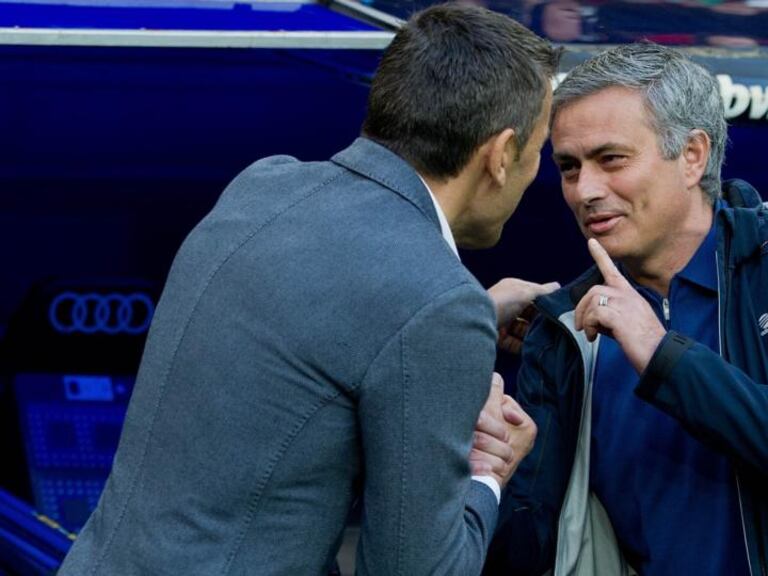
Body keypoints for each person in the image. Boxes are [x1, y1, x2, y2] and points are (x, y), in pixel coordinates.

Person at [58, 4, 559, 575]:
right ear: (499, 155)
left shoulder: (262, 186)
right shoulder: (435, 302)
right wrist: (486, 476)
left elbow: (333, 323)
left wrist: (463, 316)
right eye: (540, 150)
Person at [480, 42, 768, 575]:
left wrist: (663, 355)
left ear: (692, 155)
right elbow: (532, 545)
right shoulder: (567, 331)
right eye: (569, 167)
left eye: (611, 159)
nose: (585, 190)